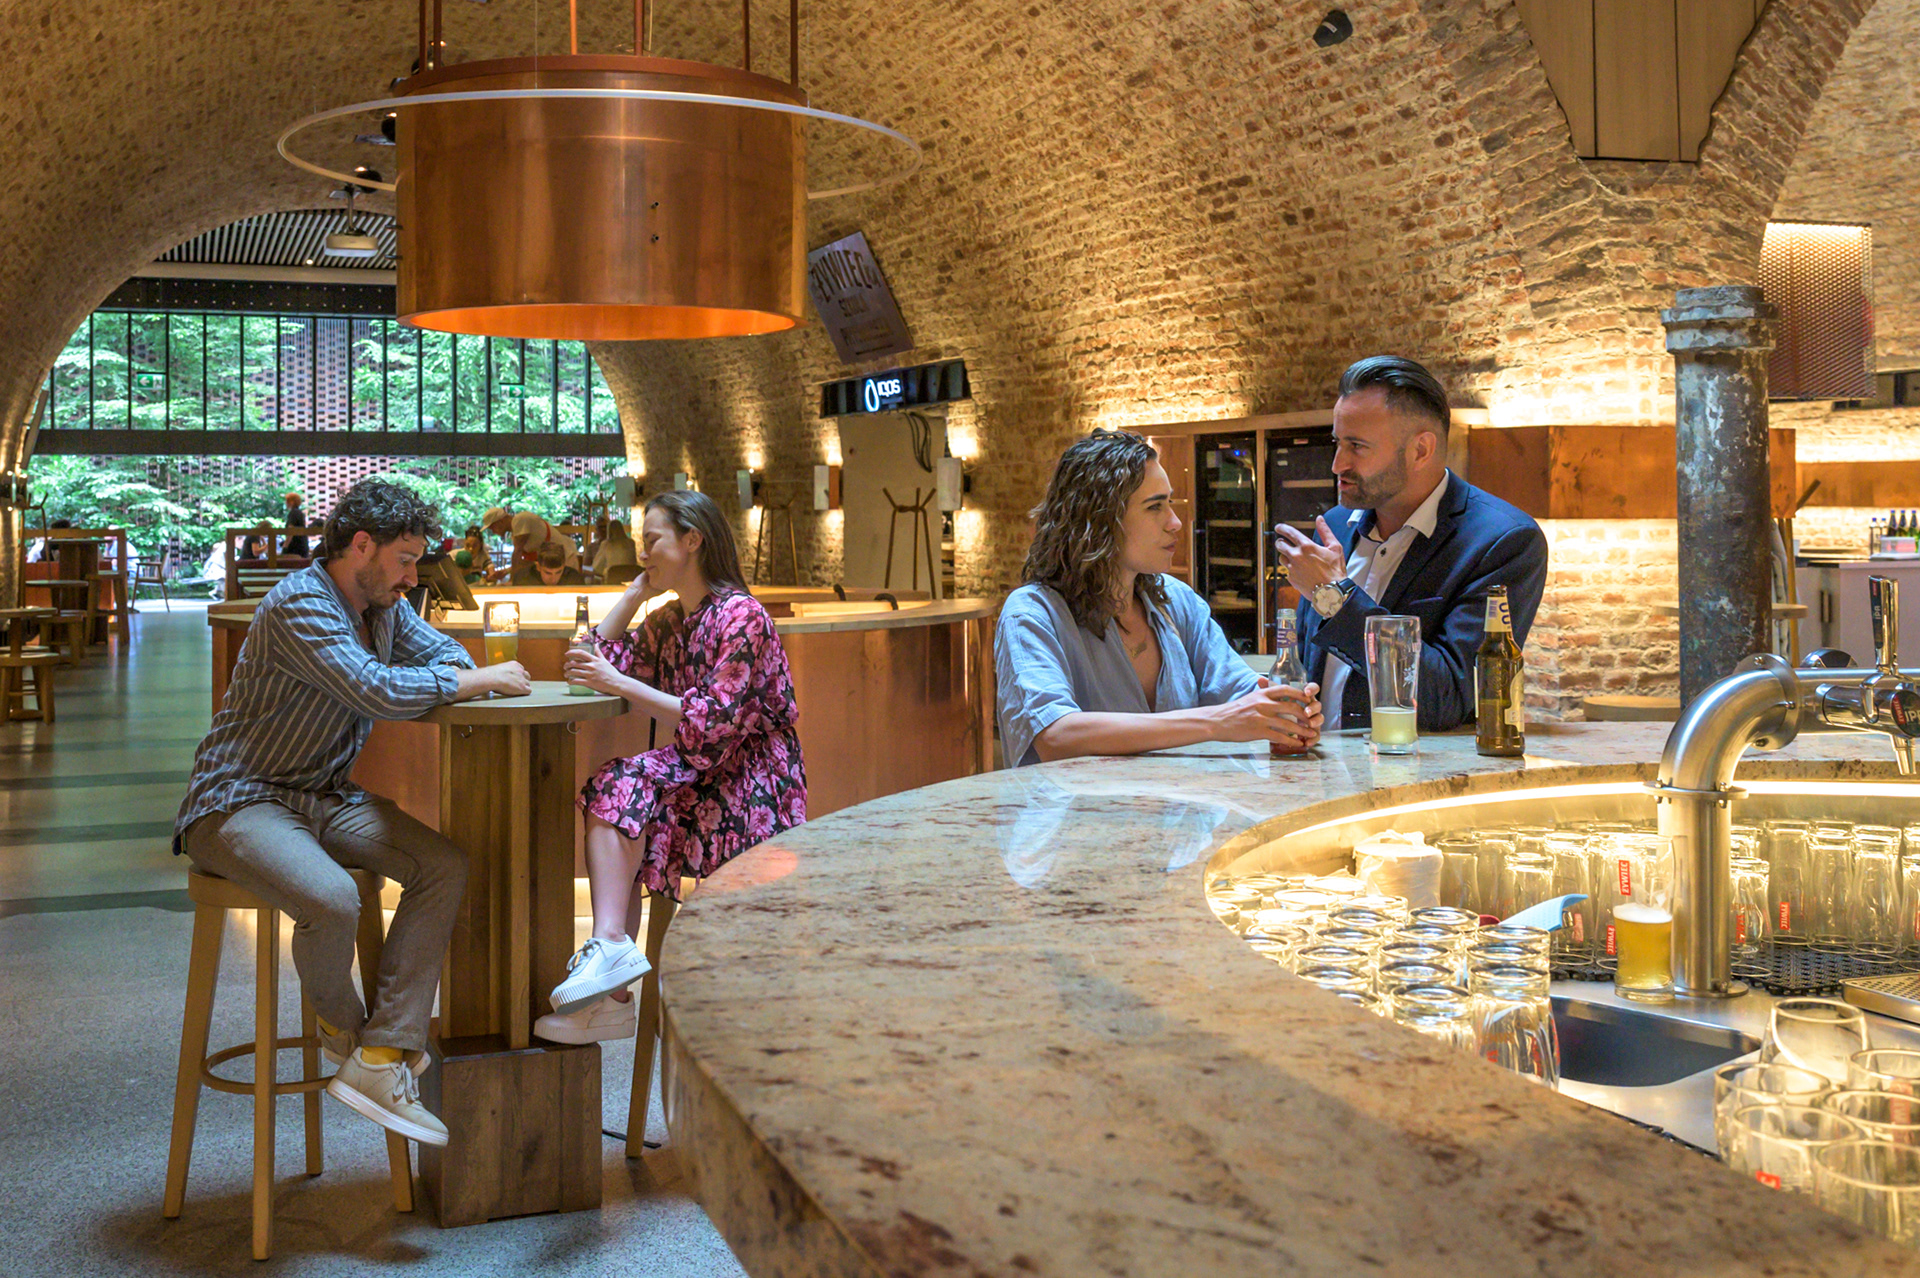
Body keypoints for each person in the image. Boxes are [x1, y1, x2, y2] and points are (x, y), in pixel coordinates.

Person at [174, 480, 533, 1150]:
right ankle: (346, 1028)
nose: (412, 577)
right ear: (361, 545)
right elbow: (374, 689)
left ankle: (381, 1054)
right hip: (238, 799)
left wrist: (461, 670)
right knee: (336, 899)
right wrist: (481, 679)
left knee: (442, 864)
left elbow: (444, 654)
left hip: (323, 795)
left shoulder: (384, 607)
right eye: (404, 560)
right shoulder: (300, 603)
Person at [535, 490, 806, 1044]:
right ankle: (611, 958)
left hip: (751, 782)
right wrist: (636, 592)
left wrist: (620, 683)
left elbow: (715, 719)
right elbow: (587, 661)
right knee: (614, 789)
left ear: (693, 539)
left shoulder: (742, 615)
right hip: (695, 772)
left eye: (652, 540)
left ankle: (612, 986)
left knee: (628, 794)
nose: (643, 552)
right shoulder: (669, 619)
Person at [996, 429, 1322, 768]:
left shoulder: (1176, 600)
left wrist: (1282, 705)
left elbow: (1237, 688)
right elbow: (1055, 736)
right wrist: (1217, 722)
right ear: (1098, 520)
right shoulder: (1032, 614)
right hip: (1079, 805)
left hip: (1179, 802)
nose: (1175, 522)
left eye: (1170, 503)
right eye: (1155, 507)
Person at [1275, 355, 1548, 733]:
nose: (1337, 464)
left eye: (1357, 446)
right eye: (1338, 442)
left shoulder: (1502, 542)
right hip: (1322, 762)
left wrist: (1335, 598)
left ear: (1421, 450)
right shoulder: (1336, 525)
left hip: (1416, 768)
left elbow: (1448, 697)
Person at [480, 505, 579, 582]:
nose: (493, 532)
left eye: (492, 528)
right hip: (551, 565)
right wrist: (506, 571)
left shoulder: (520, 519)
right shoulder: (516, 532)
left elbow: (517, 553)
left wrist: (511, 581)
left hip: (565, 561)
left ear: (500, 522)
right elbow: (529, 562)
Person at [512, 542, 588, 586]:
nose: (553, 579)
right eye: (548, 573)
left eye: (558, 572)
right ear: (538, 567)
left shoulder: (574, 579)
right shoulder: (523, 579)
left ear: (564, 566)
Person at [284, 493, 310, 558]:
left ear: (292, 502)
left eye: (287, 501)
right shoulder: (300, 513)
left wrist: (285, 547)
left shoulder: (293, 513)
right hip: (302, 545)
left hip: (295, 547)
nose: (286, 503)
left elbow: (291, 531)